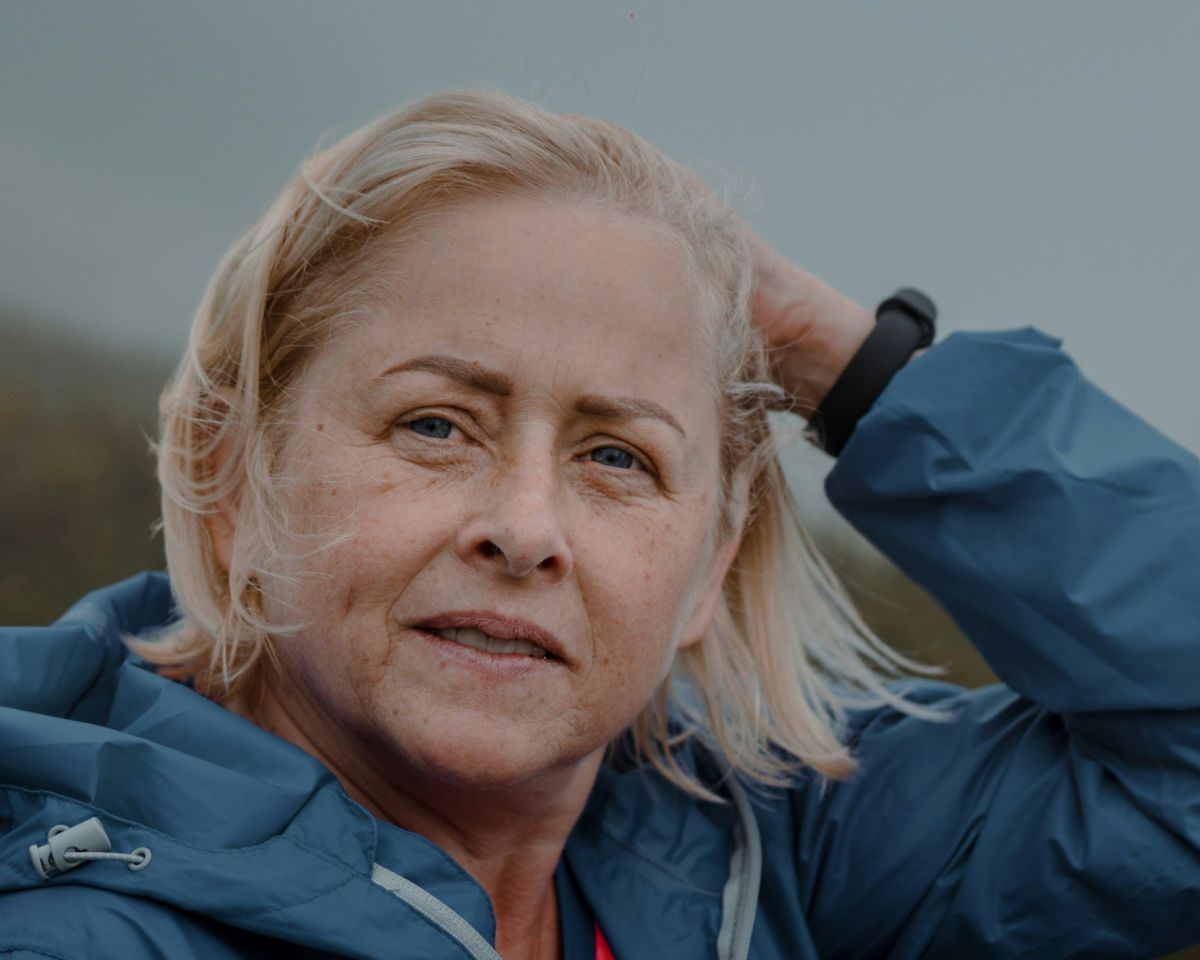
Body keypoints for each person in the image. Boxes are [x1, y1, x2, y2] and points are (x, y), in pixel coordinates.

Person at [1, 89, 1197, 960]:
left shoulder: (771, 868)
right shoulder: (83, 937)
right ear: (229, 486)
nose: (526, 530)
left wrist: (847, 363)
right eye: (435, 425)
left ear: (709, 568)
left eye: (617, 455)